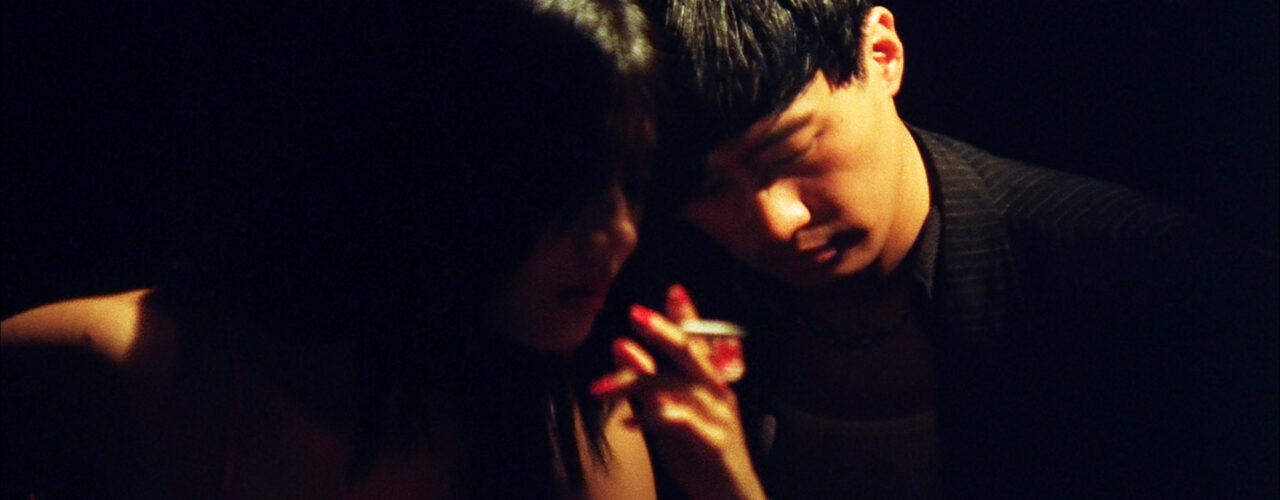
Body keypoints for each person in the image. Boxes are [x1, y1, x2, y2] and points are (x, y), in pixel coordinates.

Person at [1, 1, 755, 498]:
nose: (619, 233)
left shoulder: (580, 432)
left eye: (632, 182)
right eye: (568, 184)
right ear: (424, 166)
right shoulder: (123, 368)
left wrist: (728, 485)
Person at [633, 0, 1278, 498]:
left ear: (882, 54)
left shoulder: (1143, 280)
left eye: (792, 152)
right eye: (708, 189)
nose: (776, 223)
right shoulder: (667, 293)